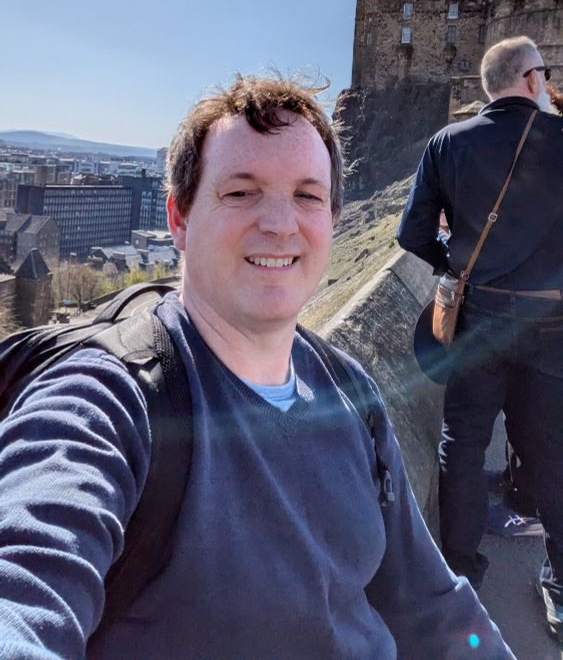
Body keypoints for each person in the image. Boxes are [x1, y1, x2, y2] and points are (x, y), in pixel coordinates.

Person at [0, 75, 515, 659]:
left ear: (333, 217)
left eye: (307, 195)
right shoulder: (108, 399)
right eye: (241, 192)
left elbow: (429, 599)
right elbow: (27, 582)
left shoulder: (347, 389)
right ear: (179, 219)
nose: (279, 223)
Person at [397, 36, 563, 643]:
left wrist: (458, 262)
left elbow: (412, 232)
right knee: (553, 455)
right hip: (553, 326)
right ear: (530, 78)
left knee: (462, 444)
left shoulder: (450, 142)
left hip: (480, 318)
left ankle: (459, 581)